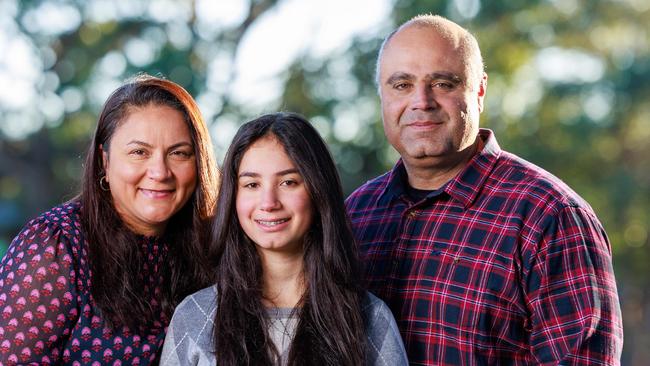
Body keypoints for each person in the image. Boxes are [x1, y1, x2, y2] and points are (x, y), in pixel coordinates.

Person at [345, 14, 624, 365]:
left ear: (479, 91)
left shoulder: (549, 216)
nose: (422, 101)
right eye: (401, 85)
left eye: (443, 83)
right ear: (382, 96)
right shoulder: (357, 213)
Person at [0, 74, 219, 365]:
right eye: (139, 152)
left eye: (178, 153)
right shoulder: (55, 247)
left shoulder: (209, 248)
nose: (160, 171)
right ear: (105, 161)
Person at [161, 112, 408, 365]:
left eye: (289, 182)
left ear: (318, 191)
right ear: (233, 197)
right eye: (252, 185)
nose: (268, 203)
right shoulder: (195, 317)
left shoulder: (370, 318)